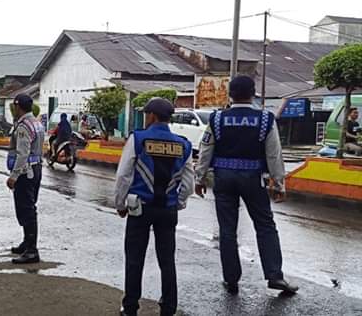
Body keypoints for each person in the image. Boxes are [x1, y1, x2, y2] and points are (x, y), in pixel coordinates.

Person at [195, 75, 298, 295]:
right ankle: (274, 276)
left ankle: (231, 278)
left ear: (230, 94)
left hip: (223, 177)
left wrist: (199, 177)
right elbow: (274, 153)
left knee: (227, 229)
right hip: (253, 179)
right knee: (265, 225)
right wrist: (279, 183)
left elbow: (205, 150)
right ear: (253, 94)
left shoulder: (217, 118)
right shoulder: (265, 119)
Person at [114, 98, 194, 316]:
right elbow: (188, 183)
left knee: (134, 259)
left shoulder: (138, 138)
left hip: (140, 208)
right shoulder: (183, 144)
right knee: (167, 260)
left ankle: (130, 307)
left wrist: (120, 204)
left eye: (146, 114)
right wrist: (177, 203)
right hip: (167, 210)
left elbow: (123, 175)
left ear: (152, 116)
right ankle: (168, 307)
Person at [6, 94, 45, 264]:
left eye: (14, 107)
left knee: (26, 209)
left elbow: (23, 153)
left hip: (25, 171)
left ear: (18, 106)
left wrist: (13, 176)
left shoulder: (23, 126)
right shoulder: (36, 123)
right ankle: (27, 243)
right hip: (36, 168)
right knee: (29, 206)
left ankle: (31, 250)